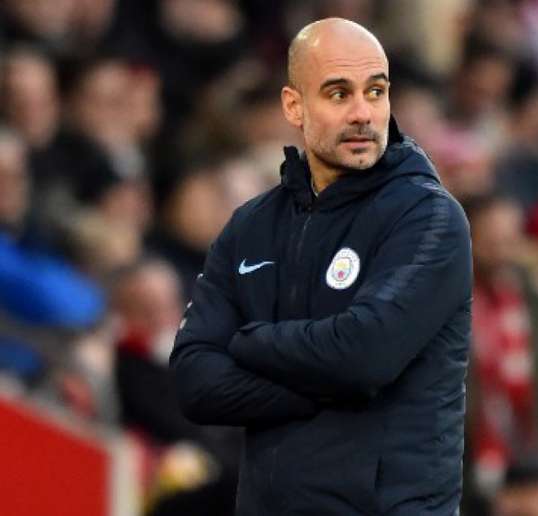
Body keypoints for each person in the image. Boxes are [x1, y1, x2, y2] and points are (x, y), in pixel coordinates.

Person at [170, 17, 473, 516]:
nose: (362, 113)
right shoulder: (251, 225)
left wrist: (252, 342)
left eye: (375, 92)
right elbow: (194, 381)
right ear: (294, 105)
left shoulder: (427, 217)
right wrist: (326, 387)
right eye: (338, 94)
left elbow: (365, 356)